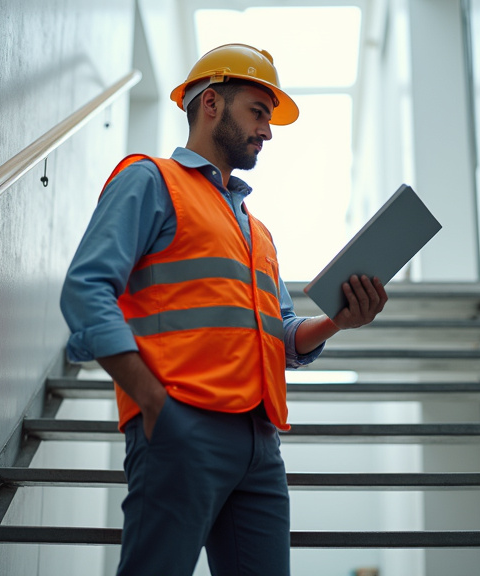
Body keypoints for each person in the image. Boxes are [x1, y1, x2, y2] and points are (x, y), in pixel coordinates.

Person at [60, 43, 388, 576]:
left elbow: (280, 335)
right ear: (211, 103)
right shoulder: (150, 181)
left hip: (260, 444)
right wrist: (152, 402)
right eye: (259, 112)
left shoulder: (257, 231)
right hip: (180, 424)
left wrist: (337, 320)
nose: (268, 130)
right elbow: (85, 290)